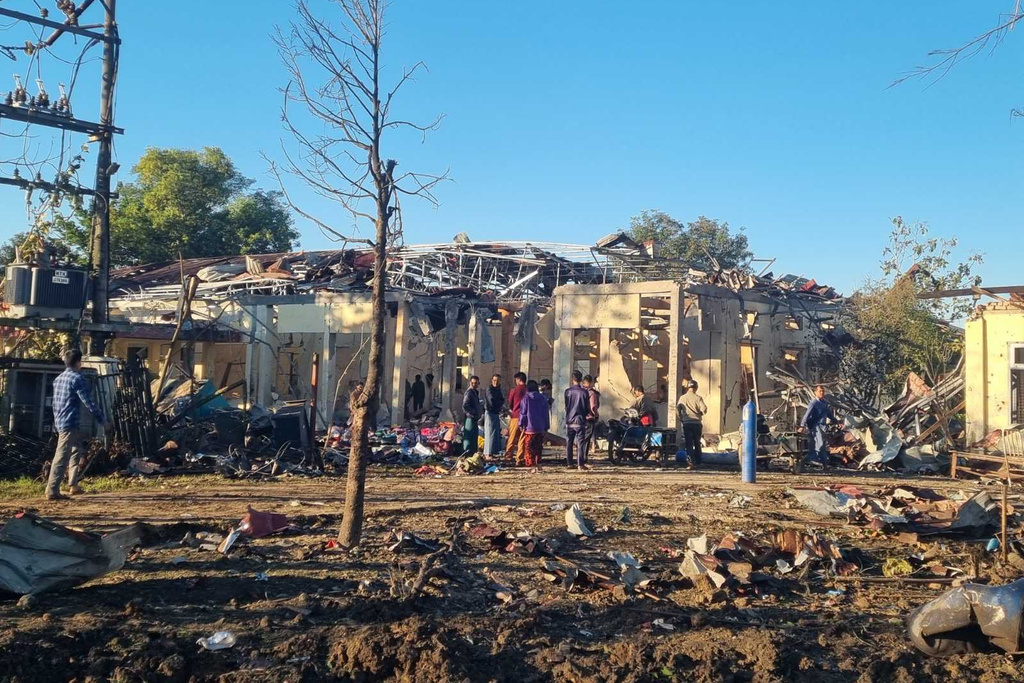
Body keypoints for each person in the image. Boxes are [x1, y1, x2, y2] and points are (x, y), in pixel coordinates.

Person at [46, 348, 108, 500]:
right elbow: (89, 402)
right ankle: (52, 490)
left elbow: (55, 403)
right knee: (62, 456)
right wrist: (102, 420)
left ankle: (73, 485)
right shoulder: (77, 378)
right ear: (78, 362)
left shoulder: (59, 379)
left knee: (76, 450)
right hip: (70, 422)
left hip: (61, 420)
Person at [798, 384, 836, 472]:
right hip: (816, 427)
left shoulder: (824, 403)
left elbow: (829, 414)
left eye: (823, 391)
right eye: (820, 391)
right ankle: (805, 462)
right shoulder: (814, 403)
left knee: (823, 446)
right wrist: (802, 426)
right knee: (819, 445)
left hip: (823, 427)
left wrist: (837, 422)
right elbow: (807, 415)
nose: (822, 393)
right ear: (815, 392)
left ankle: (824, 466)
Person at [677, 379, 707, 469]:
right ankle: (699, 462)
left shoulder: (682, 398)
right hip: (697, 424)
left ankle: (690, 462)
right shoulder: (698, 398)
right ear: (696, 388)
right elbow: (704, 409)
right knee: (697, 443)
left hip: (687, 423)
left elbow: (678, 410)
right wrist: (700, 413)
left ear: (688, 388)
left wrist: (681, 418)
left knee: (689, 443)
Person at [518, 380, 549, 468]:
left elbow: (523, 413)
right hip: (540, 427)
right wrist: (546, 425)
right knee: (538, 446)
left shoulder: (526, 398)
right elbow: (546, 413)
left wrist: (521, 424)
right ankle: (537, 462)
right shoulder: (542, 398)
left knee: (529, 447)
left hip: (529, 427)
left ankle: (530, 463)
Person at [564, 370, 591, 470]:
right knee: (580, 443)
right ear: (581, 379)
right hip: (580, 421)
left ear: (572, 379)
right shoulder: (584, 392)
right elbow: (587, 408)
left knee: (569, 442)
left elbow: (566, 406)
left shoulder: (567, 392)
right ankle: (580, 464)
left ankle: (569, 463)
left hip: (570, 420)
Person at [504, 372, 528, 464]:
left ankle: (508, 456)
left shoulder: (514, 390)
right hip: (526, 417)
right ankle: (520, 458)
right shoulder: (528, 390)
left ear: (518, 379)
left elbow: (510, 403)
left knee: (512, 437)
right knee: (522, 438)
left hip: (515, 416)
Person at [483, 373, 504, 457]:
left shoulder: (498, 390)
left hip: (496, 413)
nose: (496, 382)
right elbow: (491, 401)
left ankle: (493, 452)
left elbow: (502, 400)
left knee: (495, 433)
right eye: (494, 380)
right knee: (489, 433)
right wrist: (498, 404)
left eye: (497, 381)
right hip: (490, 412)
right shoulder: (489, 389)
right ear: (492, 380)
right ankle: (488, 453)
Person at [462, 375, 482, 456]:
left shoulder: (475, 392)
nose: (474, 384)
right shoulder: (469, 392)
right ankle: (467, 454)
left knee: (474, 437)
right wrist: (473, 412)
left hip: (474, 418)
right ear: (470, 383)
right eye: (472, 383)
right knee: (469, 437)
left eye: (476, 383)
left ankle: (473, 453)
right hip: (470, 418)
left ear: (478, 383)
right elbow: (465, 405)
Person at [582, 375, 601, 460]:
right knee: (587, 439)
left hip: (579, 418)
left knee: (581, 439)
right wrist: (596, 415)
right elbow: (593, 406)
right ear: (591, 383)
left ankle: (579, 458)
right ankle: (584, 458)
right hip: (589, 418)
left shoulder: (581, 391)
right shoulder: (591, 393)